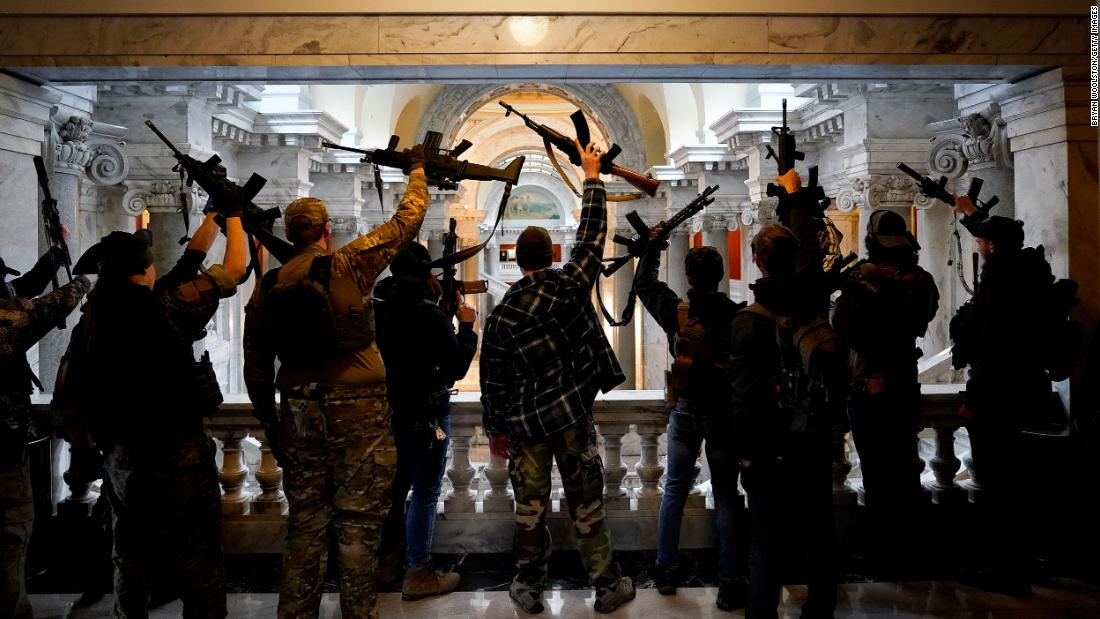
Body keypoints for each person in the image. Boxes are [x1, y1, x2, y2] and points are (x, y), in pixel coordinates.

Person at [243, 150, 429, 619]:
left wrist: (271, 421)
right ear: (327, 231)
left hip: (299, 410)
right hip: (359, 411)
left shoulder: (269, 285)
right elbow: (406, 224)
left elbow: (256, 364)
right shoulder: (348, 265)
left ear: (288, 234)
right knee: (359, 524)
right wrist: (418, 171)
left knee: (305, 523)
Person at [58, 206, 247, 619]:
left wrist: (90, 451)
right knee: (198, 557)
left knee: (131, 554)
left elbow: (67, 400)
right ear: (145, 270)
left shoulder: (90, 323)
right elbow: (234, 268)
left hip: (124, 458)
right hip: (179, 454)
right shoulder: (169, 307)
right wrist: (235, 216)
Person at [480, 141, 634, 615]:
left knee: (530, 512)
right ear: (552, 253)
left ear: (520, 261)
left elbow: (493, 381)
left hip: (526, 429)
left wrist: (496, 430)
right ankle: (606, 586)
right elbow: (592, 235)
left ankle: (528, 589)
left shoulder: (503, 315)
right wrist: (591, 177)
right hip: (571, 417)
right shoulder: (568, 286)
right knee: (587, 506)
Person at [730, 224, 847, 619]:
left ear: (757, 262)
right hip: (812, 437)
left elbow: (744, 395)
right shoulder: (813, 309)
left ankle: (762, 611)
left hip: (767, 444)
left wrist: (744, 450)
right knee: (819, 528)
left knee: (765, 533)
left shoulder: (749, 321)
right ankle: (821, 608)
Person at [949, 196, 1055, 595]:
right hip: (1027, 391)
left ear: (991, 247)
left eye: (981, 242)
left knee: (996, 486)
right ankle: (1021, 563)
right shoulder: (1030, 274)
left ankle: (1004, 569)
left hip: (996, 396)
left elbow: (990, 348)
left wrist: (973, 400)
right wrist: (971, 214)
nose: (978, 246)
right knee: (1019, 485)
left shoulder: (1000, 286)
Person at [635, 243, 747, 609]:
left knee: (675, 490)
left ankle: (666, 569)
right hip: (722, 412)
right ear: (720, 277)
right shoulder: (737, 315)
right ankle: (730, 581)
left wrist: (651, 249)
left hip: (685, 409)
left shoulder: (678, 311)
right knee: (728, 495)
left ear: (687, 277)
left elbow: (643, 284)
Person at [832, 210, 939, 579]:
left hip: (869, 384)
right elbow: (923, 321)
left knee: (878, 474)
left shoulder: (862, 280)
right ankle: (912, 551)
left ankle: (885, 555)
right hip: (905, 381)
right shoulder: (921, 280)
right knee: (905, 468)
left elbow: (842, 327)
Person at [374, 242, 478, 600]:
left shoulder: (380, 307)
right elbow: (454, 368)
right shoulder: (427, 314)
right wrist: (466, 328)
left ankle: (385, 565)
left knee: (394, 489)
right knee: (426, 490)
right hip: (425, 414)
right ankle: (418, 570)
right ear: (425, 274)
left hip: (389, 410)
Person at [1, 249, 89, 619]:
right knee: (9, 535)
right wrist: (83, 282)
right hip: (2, 452)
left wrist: (53, 258)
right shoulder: (5, 322)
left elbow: (21, 292)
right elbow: (43, 309)